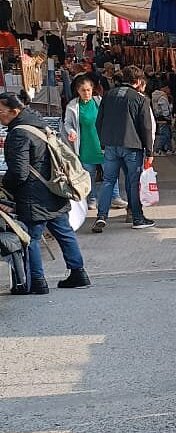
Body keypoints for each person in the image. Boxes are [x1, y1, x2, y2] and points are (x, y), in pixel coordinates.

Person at [0, 92, 90, 293]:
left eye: (1, 112)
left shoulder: (18, 133)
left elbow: (19, 173)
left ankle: (37, 281)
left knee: (30, 237)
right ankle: (79, 273)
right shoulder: (39, 124)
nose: (0, 116)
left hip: (33, 196)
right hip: (54, 188)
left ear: (14, 111)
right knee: (64, 232)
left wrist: (5, 186)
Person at [94, 65, 156, 232]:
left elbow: (99, 121)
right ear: (137, 82)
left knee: (108, 181)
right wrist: (149, 151)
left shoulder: (108, 95)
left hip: (110, 146)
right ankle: (137, 217)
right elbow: (146, 127)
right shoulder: (140, 99)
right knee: (133, 182)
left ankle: (101, 216)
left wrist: (103, 142)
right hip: (132, 146)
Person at [62, 74, 125, 212]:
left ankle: (115, 197)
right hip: (85, 145)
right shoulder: (73, 106)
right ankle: (92, 199)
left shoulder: (99, 101)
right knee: (88, 175)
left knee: (110, 172)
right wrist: (71, 131)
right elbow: (67, 123)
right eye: (83, 90)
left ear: (92, 89)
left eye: (88, 90)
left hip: (102, 144)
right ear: (78, 91)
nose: (86, 93)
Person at [151, 84, 174, 155]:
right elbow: (165, 110)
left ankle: (169, 149)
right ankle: (157, 150)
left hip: (159, 117)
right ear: (165, 88)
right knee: (164, 134)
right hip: (164, 118)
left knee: (166, 134)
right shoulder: (163, 97)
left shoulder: (156, 96)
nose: (169, 90)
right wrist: (168, 117)